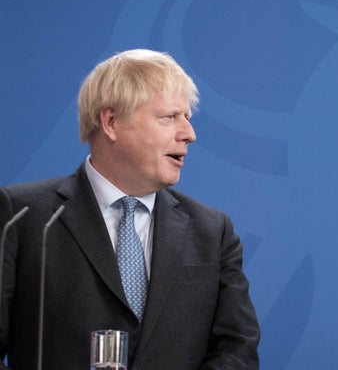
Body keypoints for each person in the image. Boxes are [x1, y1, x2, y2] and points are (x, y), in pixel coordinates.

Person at [0, 49, 260, 369]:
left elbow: (237, 350)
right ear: (111, 122)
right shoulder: (21, 215)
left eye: (187, 118)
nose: (189, 134)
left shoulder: (213, 231)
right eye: (169, 117)